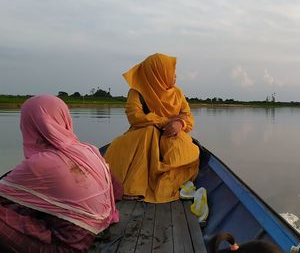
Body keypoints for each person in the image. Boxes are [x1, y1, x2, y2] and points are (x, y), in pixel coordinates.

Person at [0, 95, 122, 253]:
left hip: (66, 246)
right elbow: (117, 190)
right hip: (97, 226)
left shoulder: (40, 163)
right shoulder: (88, 150)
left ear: (30, 125)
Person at [104, 53, 200, 203]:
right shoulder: (137, 91)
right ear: (158, 74)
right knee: (148, 133)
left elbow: (188, 117)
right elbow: (135, 116)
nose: (175, 76)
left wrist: (180, 124)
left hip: (171, 134)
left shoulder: (178, 93)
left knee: (187, 151)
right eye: (171, 72)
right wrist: (165, 122)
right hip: (142, 134)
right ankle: (133, 187)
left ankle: (162, 181)